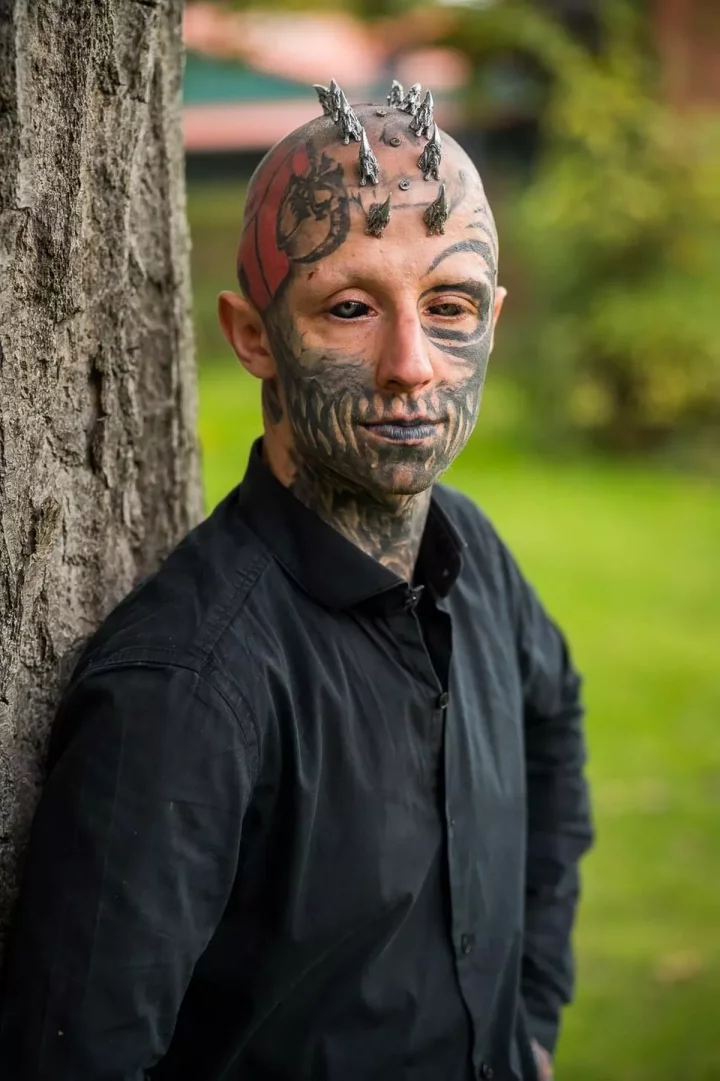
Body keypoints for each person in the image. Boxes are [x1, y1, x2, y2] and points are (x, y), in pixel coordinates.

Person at [0, 85, 593, 1081]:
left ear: (492, 320)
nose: (412, 366)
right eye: (350, 307)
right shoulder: (186, 691)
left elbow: (555, 730)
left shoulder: (475, 557)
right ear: (254, 335)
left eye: (447, 306)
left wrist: (526, 1019)